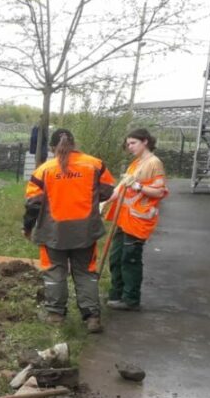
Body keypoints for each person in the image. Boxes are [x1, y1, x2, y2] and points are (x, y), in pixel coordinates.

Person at [23, 128, 115, 333]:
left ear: (52, 148)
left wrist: (27, 227)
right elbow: (108, 190)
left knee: (55, 272)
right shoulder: (95, 165)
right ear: (74, 144)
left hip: (53, 232)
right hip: (85, 231)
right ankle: (92, 317)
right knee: (85, 272)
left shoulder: (44, 170)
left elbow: (32, 203)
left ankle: (55, 315)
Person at [104, 128, 169, 311]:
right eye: (128, 144)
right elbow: (121, 188)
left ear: (145, 141)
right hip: (124, 218)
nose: (129, 147)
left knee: (129, 258)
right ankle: (116, 293)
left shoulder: (154, 163)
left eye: (133, 143)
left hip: (139, 219)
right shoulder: (136, 163)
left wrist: (139, 186)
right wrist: (104, 202)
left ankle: (130, 298)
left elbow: (159, 191)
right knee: (116, 257)